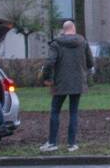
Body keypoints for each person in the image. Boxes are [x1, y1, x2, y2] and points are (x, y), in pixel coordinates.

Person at [40, 20, 94, 153]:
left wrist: (46, 78)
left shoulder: (56, 44)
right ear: (74, 29)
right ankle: (72, 144)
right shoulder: (83, 42)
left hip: (60, 83)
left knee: (55, 111)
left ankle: (52, 143)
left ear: (63, 30)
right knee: (73, 112)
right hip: (78, 83)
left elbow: (49, 62)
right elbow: (90, 62)